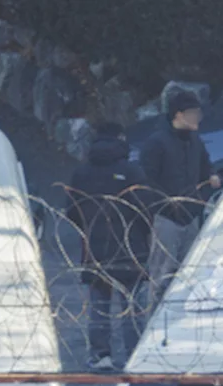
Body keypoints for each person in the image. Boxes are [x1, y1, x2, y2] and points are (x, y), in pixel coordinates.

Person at [64, 122, 153, 371]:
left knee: (99, 304)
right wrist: (144, 233)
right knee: (131, 305)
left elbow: (72, 210)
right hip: (131, 246)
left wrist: (89, 226)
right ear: (121, 138)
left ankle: (100, 354)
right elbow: (145, 208)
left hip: (94, 246)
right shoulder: (132, 171)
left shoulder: (81, 173)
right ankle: (134, 355)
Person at [139, 89, 221, 306]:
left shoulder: (195, 140)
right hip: (166, 218)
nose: (197, 119)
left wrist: (210, 181)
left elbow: (206, 165)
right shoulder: (157, 143)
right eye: (193, 113)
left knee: (188, 275)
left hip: (191, 215)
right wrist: (167, 203)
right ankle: (153, 326)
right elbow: (147, 180)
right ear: (179, 114)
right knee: (161, 277)